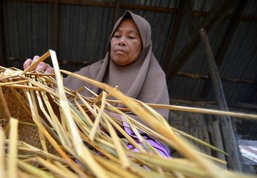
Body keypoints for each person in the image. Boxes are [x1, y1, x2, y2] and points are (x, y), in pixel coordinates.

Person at [23, 10, 170, 157]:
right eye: (117, 36)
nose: (121, 41)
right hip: (90, 147)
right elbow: (62, 92)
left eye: (131, 37)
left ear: (144, 45)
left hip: (136, 147)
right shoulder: (94, 72)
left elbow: (155, 125)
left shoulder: (154, 76)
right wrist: (47, 77)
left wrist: (104, 118)